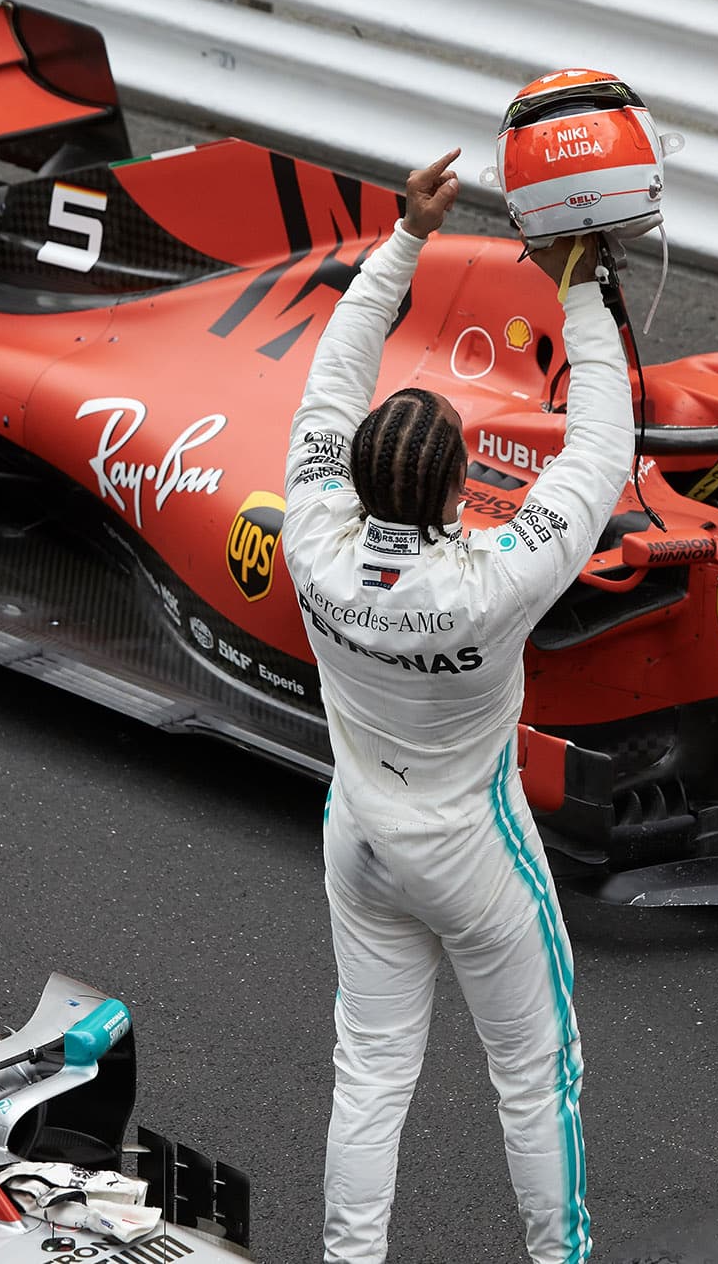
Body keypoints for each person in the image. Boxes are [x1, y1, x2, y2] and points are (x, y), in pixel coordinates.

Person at [279, 148, 634, 1264]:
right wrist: (575, 274)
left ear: (363, 479)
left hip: (358, 840)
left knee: (370, 1070)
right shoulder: (491, 582)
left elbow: (329, 384)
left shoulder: (312, 538)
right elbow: (600, 446)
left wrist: (402, 241)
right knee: (537, 1072)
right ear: (448, 490)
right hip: (472, 854)